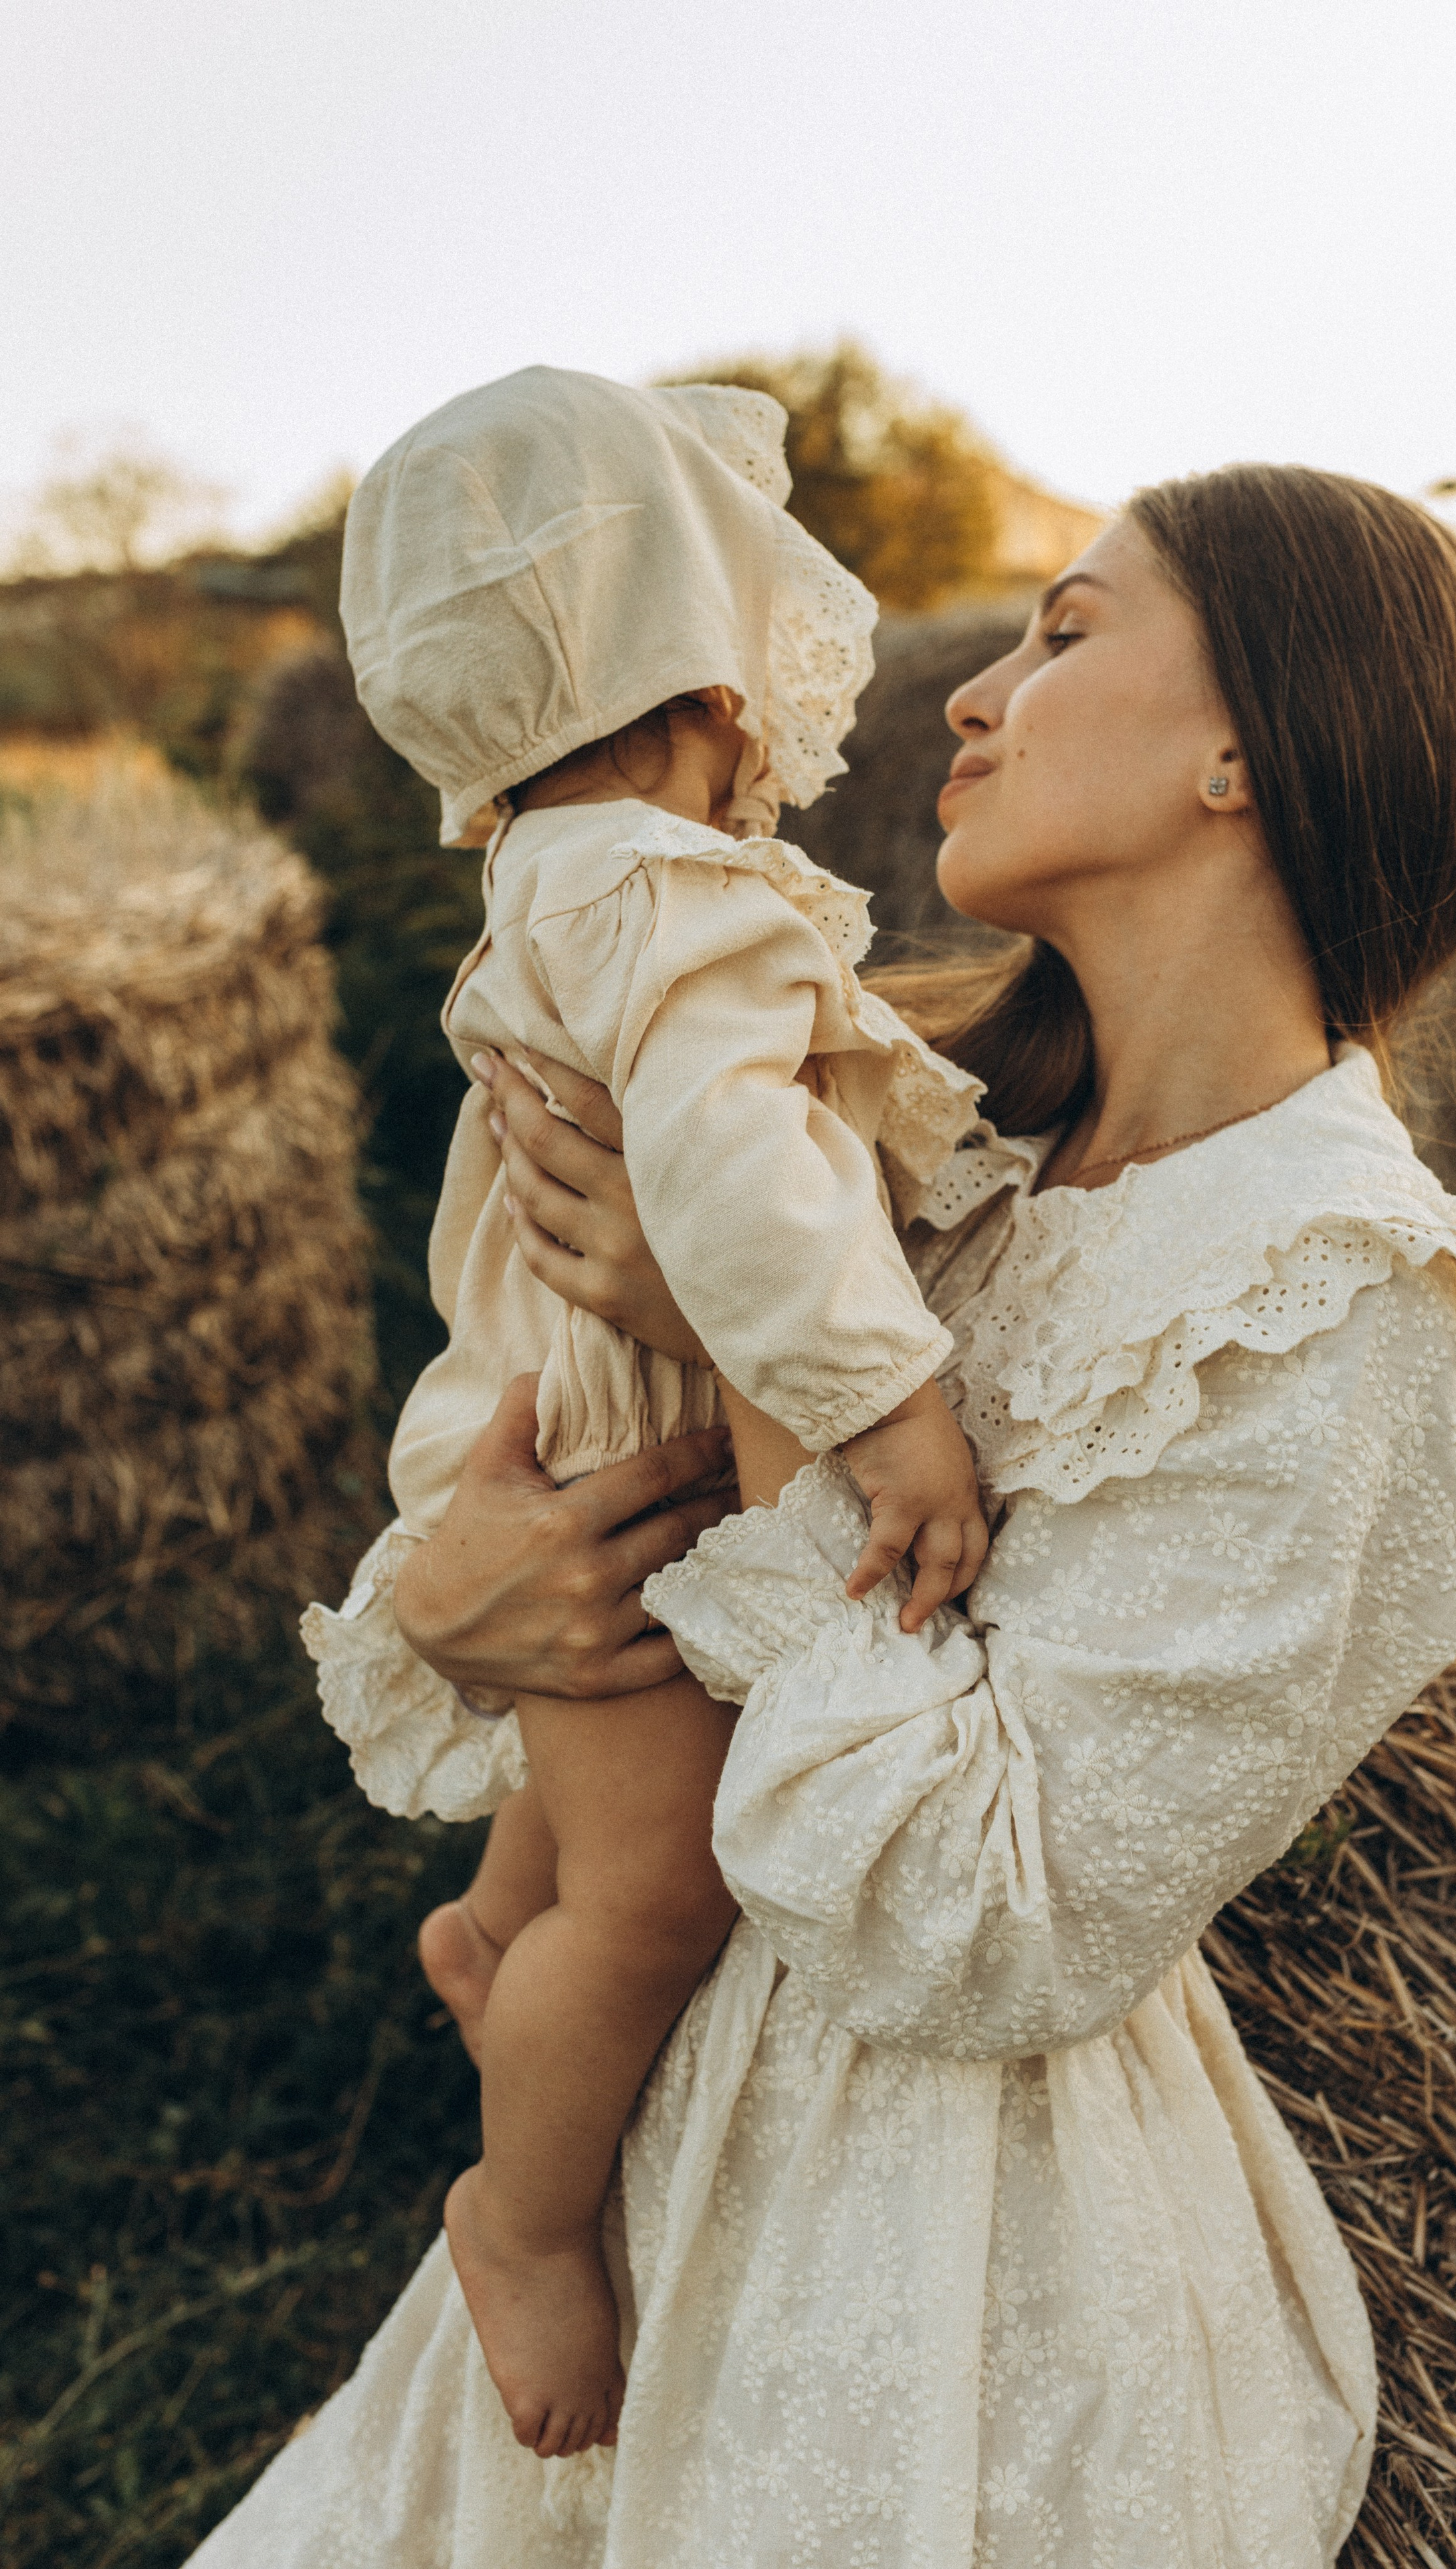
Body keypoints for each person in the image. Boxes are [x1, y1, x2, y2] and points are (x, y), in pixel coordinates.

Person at [191, 462, 1456, 2569]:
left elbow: (989, 1928)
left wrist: (745, 1354)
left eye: (1066, 633)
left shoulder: (1351, 1306)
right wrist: (481, 1607)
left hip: (948, 2253)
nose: (973, 697)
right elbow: (597, 1497)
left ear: (1248, 751)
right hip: (651, 2102)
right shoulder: (937, 1159)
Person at [308, 367, 991, 2457]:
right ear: (707, 680)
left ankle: (498, 1927)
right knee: (664, 1891)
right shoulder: (674, 896)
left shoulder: (555, 884)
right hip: (618, 1470)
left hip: (556, 1416)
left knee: (583, 1838)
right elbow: (728, 1168)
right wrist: (892, 1401)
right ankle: (519, 2212)